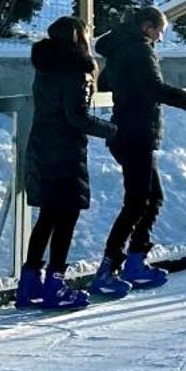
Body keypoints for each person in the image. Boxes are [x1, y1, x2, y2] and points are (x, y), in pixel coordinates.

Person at [91, 5, 186, 298]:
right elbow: (156, 88)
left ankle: (135, 261)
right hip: (136, 134)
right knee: (137, 202)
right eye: (158, 32)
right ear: (147, 27)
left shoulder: (119, 48)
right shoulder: (140, 50)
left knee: (152, 197)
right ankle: (109, 267)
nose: (159, 38)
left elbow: (106, 82)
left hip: (126, 132)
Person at [18, 16, 118, 312]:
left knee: (48, 215)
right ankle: (55, 284)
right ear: (78, 36)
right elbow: (76, 116)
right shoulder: (77, 70)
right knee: (66, 217)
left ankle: (29, 282)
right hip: (65, 151)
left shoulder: (45, 67)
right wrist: (113, 130)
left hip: (40, 147)